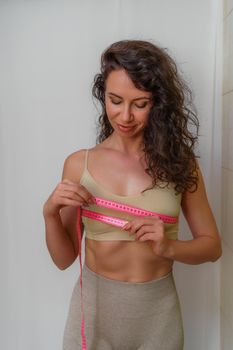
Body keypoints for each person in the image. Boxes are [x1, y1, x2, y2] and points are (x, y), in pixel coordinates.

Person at [43, 39, 222, 350]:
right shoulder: (78, 164)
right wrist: (49, 214)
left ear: (159, 102)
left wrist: (168, 247)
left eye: (140, 104)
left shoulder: (181, 165)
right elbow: (64, 259)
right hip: (94, 314)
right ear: (103, 97)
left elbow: (212, 247)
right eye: (115, 100)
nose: (125, 116)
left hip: (158, 317)